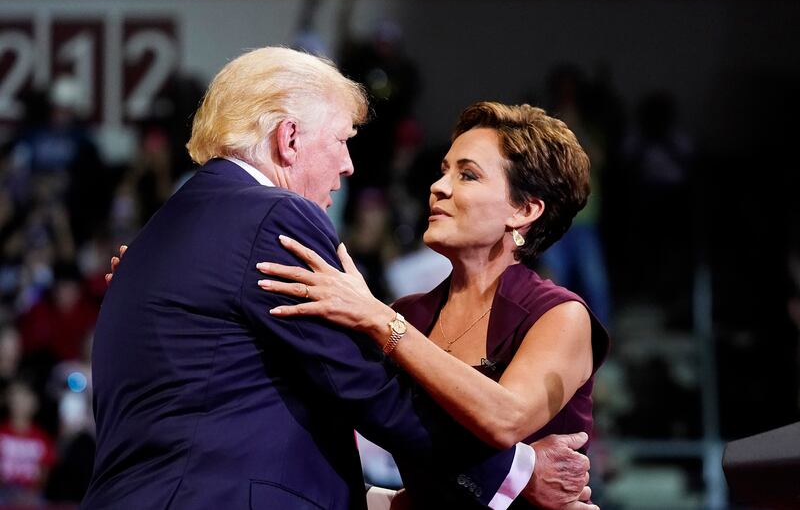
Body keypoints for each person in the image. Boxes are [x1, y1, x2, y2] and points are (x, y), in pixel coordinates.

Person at [84, 48, 597, 510]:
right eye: (342, 140)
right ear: (289, 138)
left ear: (526, 210)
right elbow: (365, 389)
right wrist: (518, 475)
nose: (350, 165)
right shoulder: (278, 221)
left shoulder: (161, 234)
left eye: (467, 174)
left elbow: (285, 417)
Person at [256, 102, 609, 508]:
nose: (439, 187)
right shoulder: (409, 315)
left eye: (468, 175)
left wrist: (379, 318)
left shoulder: (559, 315)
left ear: (524, 210)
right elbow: (427, 456)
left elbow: (505, 418)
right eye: (444, 170)